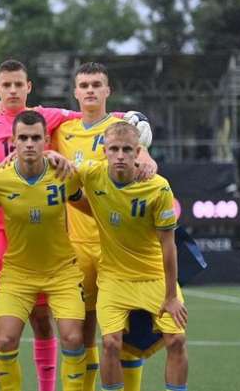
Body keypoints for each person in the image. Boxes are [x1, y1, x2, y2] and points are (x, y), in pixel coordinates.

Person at [0, 59, 155, 391]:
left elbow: (103, 120)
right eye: (6, 85)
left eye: (19, 84)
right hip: (0, 234)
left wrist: (138, 124)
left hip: (69, 242)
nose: (13, 90)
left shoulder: (51, 117)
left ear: (29, 87)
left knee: (67, 326)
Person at [51, 62, 156, 391]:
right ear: (75, 92)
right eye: (84, 85)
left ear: (108, 90)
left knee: (125, 335)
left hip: (119, 248)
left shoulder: (121, 129)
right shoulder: (62, 131)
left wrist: (148, 157)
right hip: (78, 246)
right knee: (82, 332)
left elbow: (143, 155)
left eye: (97, 84)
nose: (90, 90)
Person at [0, 110, 87, 391]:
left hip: (62, 273)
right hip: (17, 274)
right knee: (4, 340)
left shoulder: (64, 175)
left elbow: (90, 203)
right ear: (13, 141)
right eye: (23, 138)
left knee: (73, 338)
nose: (29, 144)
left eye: (35, 138)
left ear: (46, 140)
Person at [74, 122, 188, 391]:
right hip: (114, 278)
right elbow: (58, 167)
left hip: (153, 275)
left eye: (127, 149)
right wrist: (47, 156)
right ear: (105, 151)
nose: (120, 155)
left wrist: (171, 296)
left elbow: (168, 245)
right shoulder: (91, 173)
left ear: (138, 152)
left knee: (176, 340)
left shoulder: (158, 187)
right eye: (114, 149)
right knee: (110, 343)